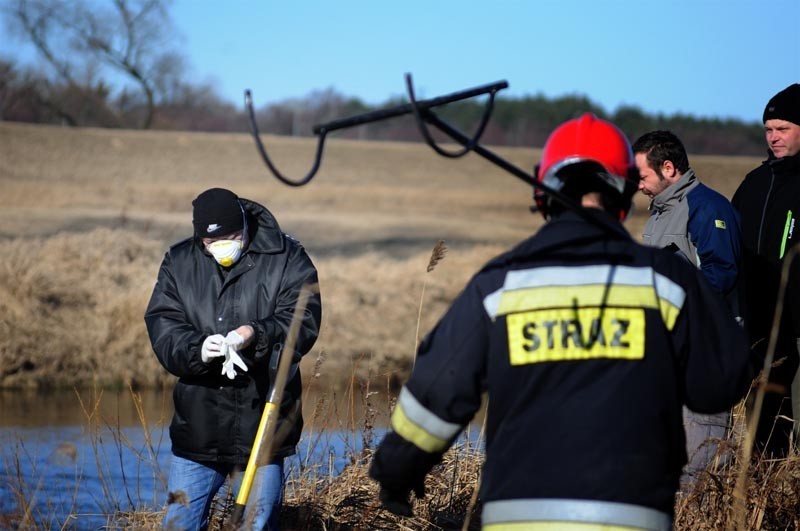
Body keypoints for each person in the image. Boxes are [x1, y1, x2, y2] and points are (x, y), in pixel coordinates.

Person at [369, 114, 753, 529]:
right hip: (633, 517)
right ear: (624, 191)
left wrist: (397, 470)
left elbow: (437, 391)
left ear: (542, 194)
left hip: (517, 517)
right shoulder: (669, 283)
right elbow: (720, 383)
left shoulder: (499, 286)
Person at [145, 187, 322, 530]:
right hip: (198, 429)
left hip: (263, 426)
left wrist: (256, 333)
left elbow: (304, 320)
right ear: (200, 239)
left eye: (230, 237)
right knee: (179, 523)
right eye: (211, 242)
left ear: (244, 225)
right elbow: (164, 327)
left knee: (256, 524)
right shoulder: (179, 262)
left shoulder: (286, 256)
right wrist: (197, 349)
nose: (222, 247)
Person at [632, 130, 743, 482]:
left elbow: (720, 277)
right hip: (667, 356)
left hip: (702, 356)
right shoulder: (661, 213)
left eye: (643, 176)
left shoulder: (707, 208)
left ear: (668, 168)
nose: (638, 185)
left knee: (696, 469)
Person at [732, 83, 800, 456]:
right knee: (763, 438)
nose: (773, 138)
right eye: (769, 130)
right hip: (760, 336)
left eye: (783, 129)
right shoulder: (755, 183)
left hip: (797, 333)